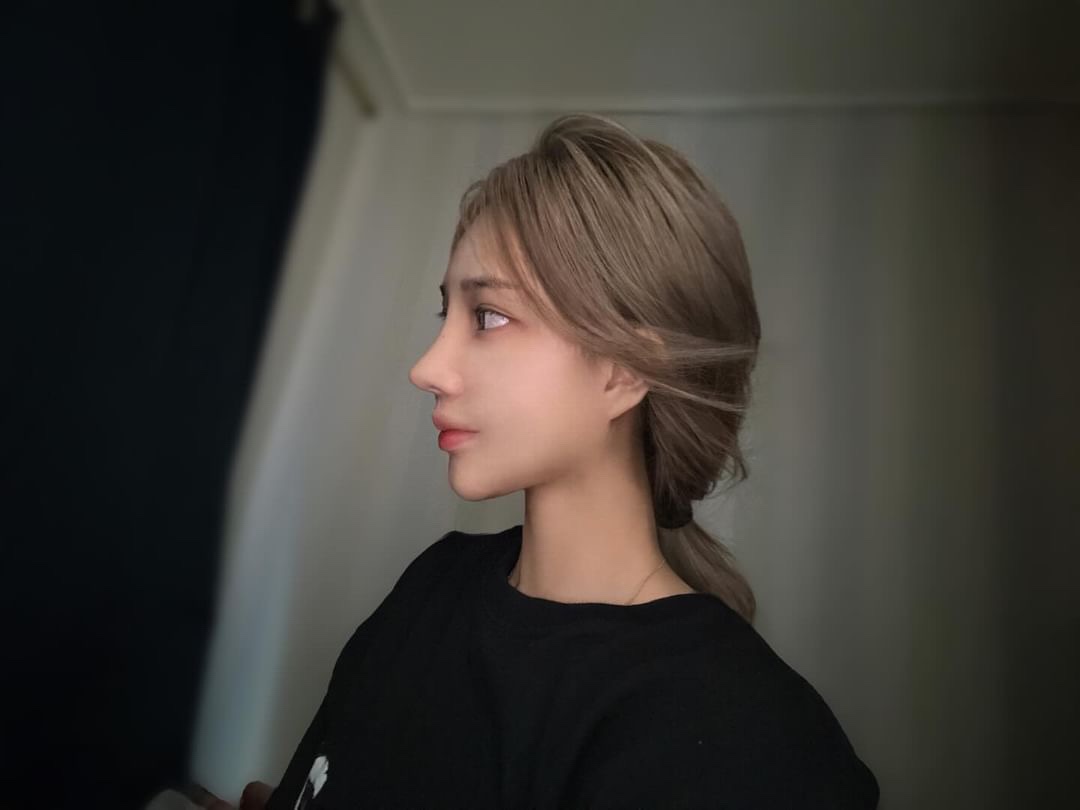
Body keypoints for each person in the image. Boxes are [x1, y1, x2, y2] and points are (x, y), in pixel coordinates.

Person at [232, 113, 879, 808]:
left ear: (626, 370)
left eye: (488, 317)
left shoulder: (744, 736)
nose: (427, 368)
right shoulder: (434, 585)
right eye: (446, 314)